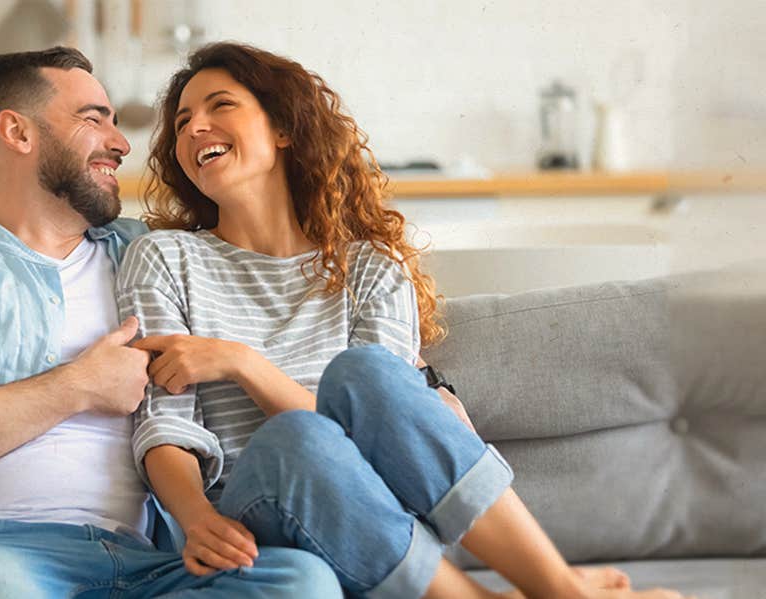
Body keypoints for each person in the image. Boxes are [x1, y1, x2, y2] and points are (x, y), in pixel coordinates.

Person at [116, 42, 694, 599]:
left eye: (221, 106)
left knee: (368, 373)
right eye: (183, 119)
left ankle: (558, 588)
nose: (193, 128)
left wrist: (244, 364)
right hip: (250, 508)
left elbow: (382, 430)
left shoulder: (370, 265)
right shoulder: (164, 258)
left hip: (374, 510)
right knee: (296, 436)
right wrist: (193, 519)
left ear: (284, 128)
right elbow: (164, 423)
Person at [0, 46, 340, 599]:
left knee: (302, 582)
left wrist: (425, 382)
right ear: (17, 132)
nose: (122, 144)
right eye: (93, 118)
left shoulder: (155, 257)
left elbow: (286, 304)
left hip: (152, 563)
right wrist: (80, 386)